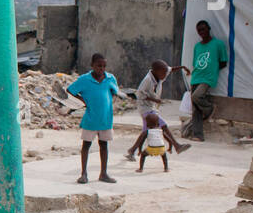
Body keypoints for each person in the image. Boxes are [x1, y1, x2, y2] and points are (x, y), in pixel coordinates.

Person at [68, 53, 120, 184]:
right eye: (98, 66)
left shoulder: (110, 78)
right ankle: (84, 174)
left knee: (104, 145)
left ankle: (103, 173)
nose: (101, 68)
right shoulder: (85, 79)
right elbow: (70, 90)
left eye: (104, 66)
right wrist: (83, 101)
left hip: (105, 119)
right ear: (92, 65)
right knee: (86, 145)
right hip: (91, 118)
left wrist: (108, 103)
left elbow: (114, 92)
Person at [125, 60, 190, 161]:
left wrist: (183, 67)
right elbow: (140, 95)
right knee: (163, 125)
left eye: (165, 72)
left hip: (151, 107)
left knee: (146, 131)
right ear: (156, 71)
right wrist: (155, 100)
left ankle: (132, 150)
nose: (165, 75)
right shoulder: (147, 80)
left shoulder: (162, 72)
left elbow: (171, 69)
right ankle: (177, 146)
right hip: (144, 107)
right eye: (163, 73)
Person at [180, 20, 227, 142]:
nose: (202, 32)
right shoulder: (197, 46)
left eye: (203, 29)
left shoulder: (218, 44)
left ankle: (209, 108)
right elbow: (196, 63)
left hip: (208, 78)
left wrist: (212, 70)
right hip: (196, 77)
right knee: (195, 109)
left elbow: (223, 62)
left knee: (197, 96)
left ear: (209, 29)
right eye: (199, 30)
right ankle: (198, 135)